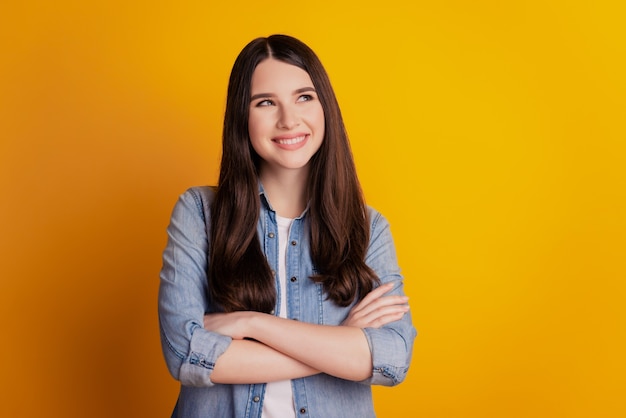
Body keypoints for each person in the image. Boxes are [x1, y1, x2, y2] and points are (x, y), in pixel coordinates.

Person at [158, 34, 416, 418]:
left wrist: (252, 323)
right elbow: (186, 352)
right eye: (266, 102)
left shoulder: (368, 228)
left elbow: (392, 358)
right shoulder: (199, 213)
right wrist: (343, 346)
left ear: (324, 106)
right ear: (241, 117)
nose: (289, 119)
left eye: (304, 97)